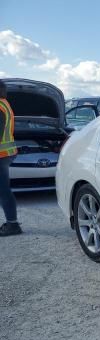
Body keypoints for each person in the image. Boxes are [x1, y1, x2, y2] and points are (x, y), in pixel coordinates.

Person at [0, 80, 22, 236]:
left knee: (3, 190)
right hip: (7, 153)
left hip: (1, 155)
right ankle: (12, 223)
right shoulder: (4, 103)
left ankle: (13, 224)